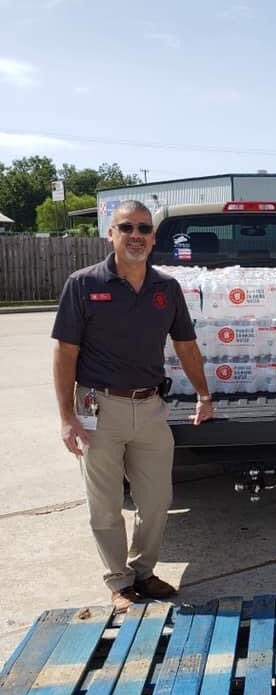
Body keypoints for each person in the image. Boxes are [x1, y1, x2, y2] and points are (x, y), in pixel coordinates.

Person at [52, 200, 214, 612]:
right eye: (127, 228)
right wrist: (67, 417)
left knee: (157, 499)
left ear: (154, 238)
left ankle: (143, 571)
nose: (136, 235)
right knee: (105, 504)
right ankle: (119, 581)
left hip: (151, 406)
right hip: (98, 407)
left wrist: (203, 393)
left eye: (144, 228)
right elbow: (65, 353)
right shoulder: (83, 284)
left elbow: (186, 345)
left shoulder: (166, 288)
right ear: (111, 234)